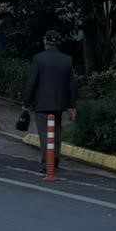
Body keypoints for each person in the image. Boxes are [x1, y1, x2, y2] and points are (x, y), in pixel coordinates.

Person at [22, 30, 76, 176]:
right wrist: (72, 106)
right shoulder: (67, 60)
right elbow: (71, 85)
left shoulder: (38, 59)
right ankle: (55, 158)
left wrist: (26, 103)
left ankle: (47, 161)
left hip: (41, 103)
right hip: (60, 104)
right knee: (57, 131)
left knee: (44, 133)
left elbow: (31, 83)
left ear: (45, 42)